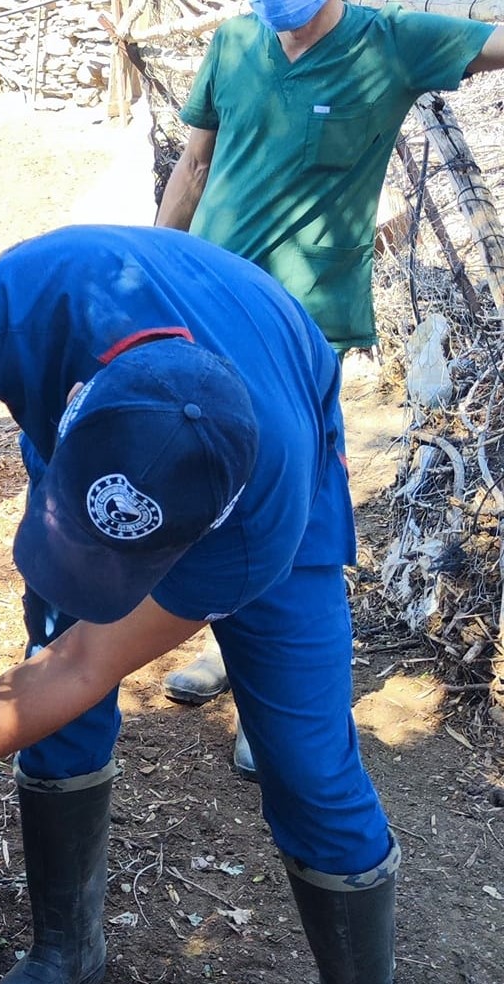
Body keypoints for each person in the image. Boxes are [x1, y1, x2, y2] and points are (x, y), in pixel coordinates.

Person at [0, 225, 401, 984]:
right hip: (107, 398)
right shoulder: (15, 309)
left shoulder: (255, 523)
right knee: (58, 689)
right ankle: (65, 951)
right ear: (73, 407)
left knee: (308, 764)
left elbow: (80, 663)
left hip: (275, 432)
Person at [154, 0, 504, 751]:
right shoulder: (236, 40)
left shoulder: (395, 41)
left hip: (300, 324)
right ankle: (229, 641)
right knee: (216, 480)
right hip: (208, 301)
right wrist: (155, 271)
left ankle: (281, 693)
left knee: (294, 492)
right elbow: (195, 162)